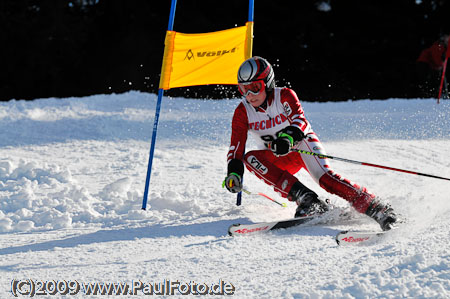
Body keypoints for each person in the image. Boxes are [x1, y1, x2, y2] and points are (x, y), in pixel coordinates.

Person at [223, 56, 397, 231]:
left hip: (303, 147)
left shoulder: (283, 96)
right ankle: (308, 200)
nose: (249, 95)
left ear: (267, 83)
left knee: (327, 179)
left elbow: (300, 121)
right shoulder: (242, 112)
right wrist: (234, 173)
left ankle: (378, 208)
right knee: (250, 158)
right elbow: (236, 148)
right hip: (279, 158)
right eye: (243, 89)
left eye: (255, 88)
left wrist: (288, 138)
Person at [416, 33, 449, 98]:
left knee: (438, 77)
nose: (448, 39)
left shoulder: (445, 46)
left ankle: (441, 93)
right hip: (424, 63)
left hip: (432, 64)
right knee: (428, 81)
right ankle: (429, 95)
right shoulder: (438, 45)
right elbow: (436, 57)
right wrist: (440, 64)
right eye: (447, 37)